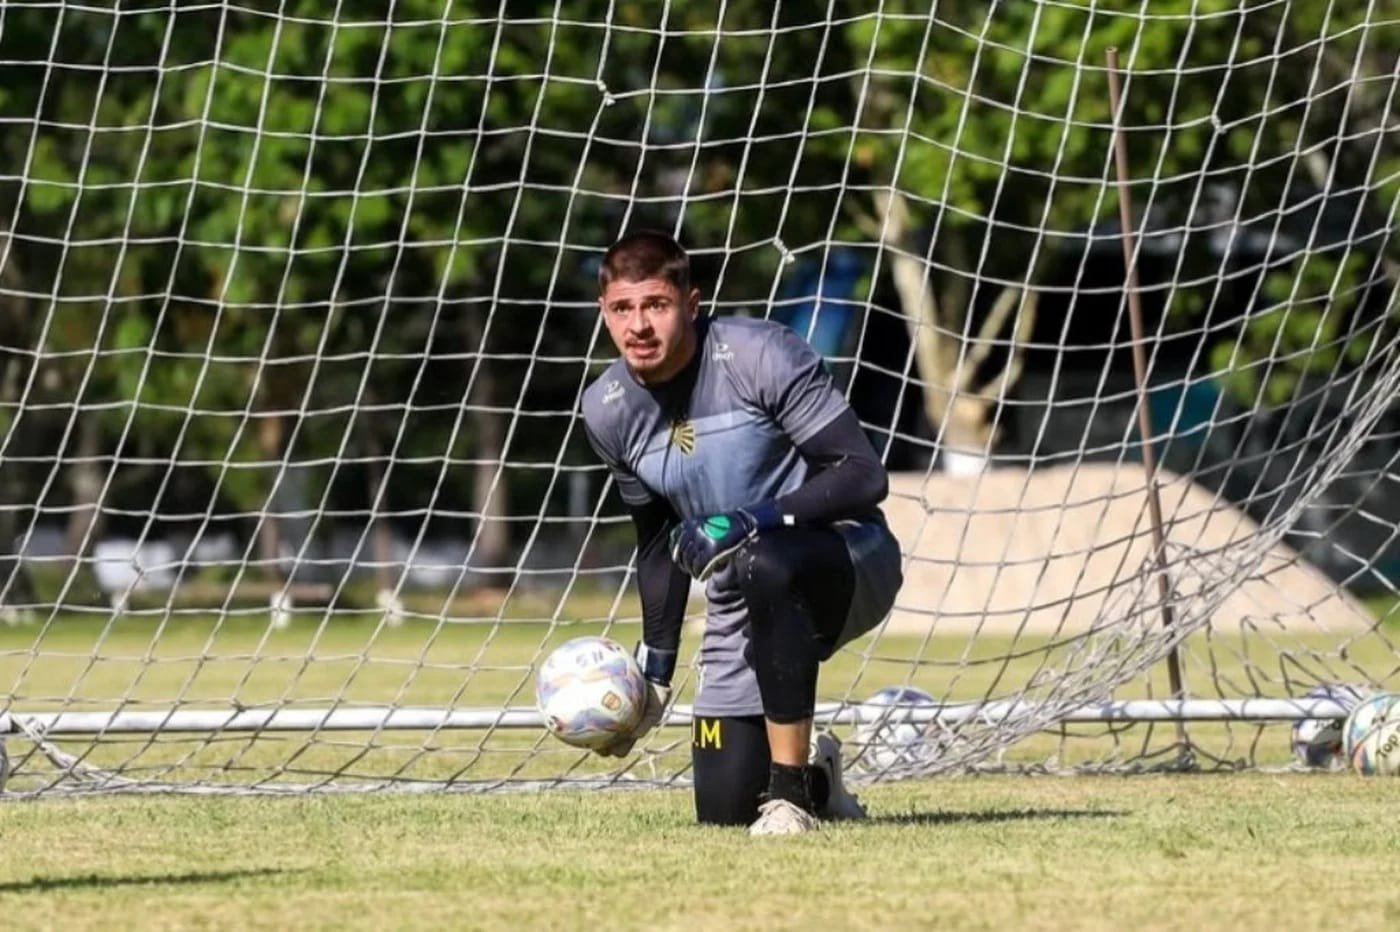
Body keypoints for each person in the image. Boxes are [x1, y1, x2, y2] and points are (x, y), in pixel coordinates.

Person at [580, 231, 903, 836]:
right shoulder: (606, 408)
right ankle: (819, 778)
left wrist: (753, 517)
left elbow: (864, 476)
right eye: (622, 309)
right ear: (604, 312)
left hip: (848, 556)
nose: (639, 326)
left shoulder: (761, 354)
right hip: (742, 593)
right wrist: (654, 677)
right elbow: (658, 544)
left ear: (692, 304)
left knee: (765, 561)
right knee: (725, 811)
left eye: (656, 304)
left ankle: (790, 797)